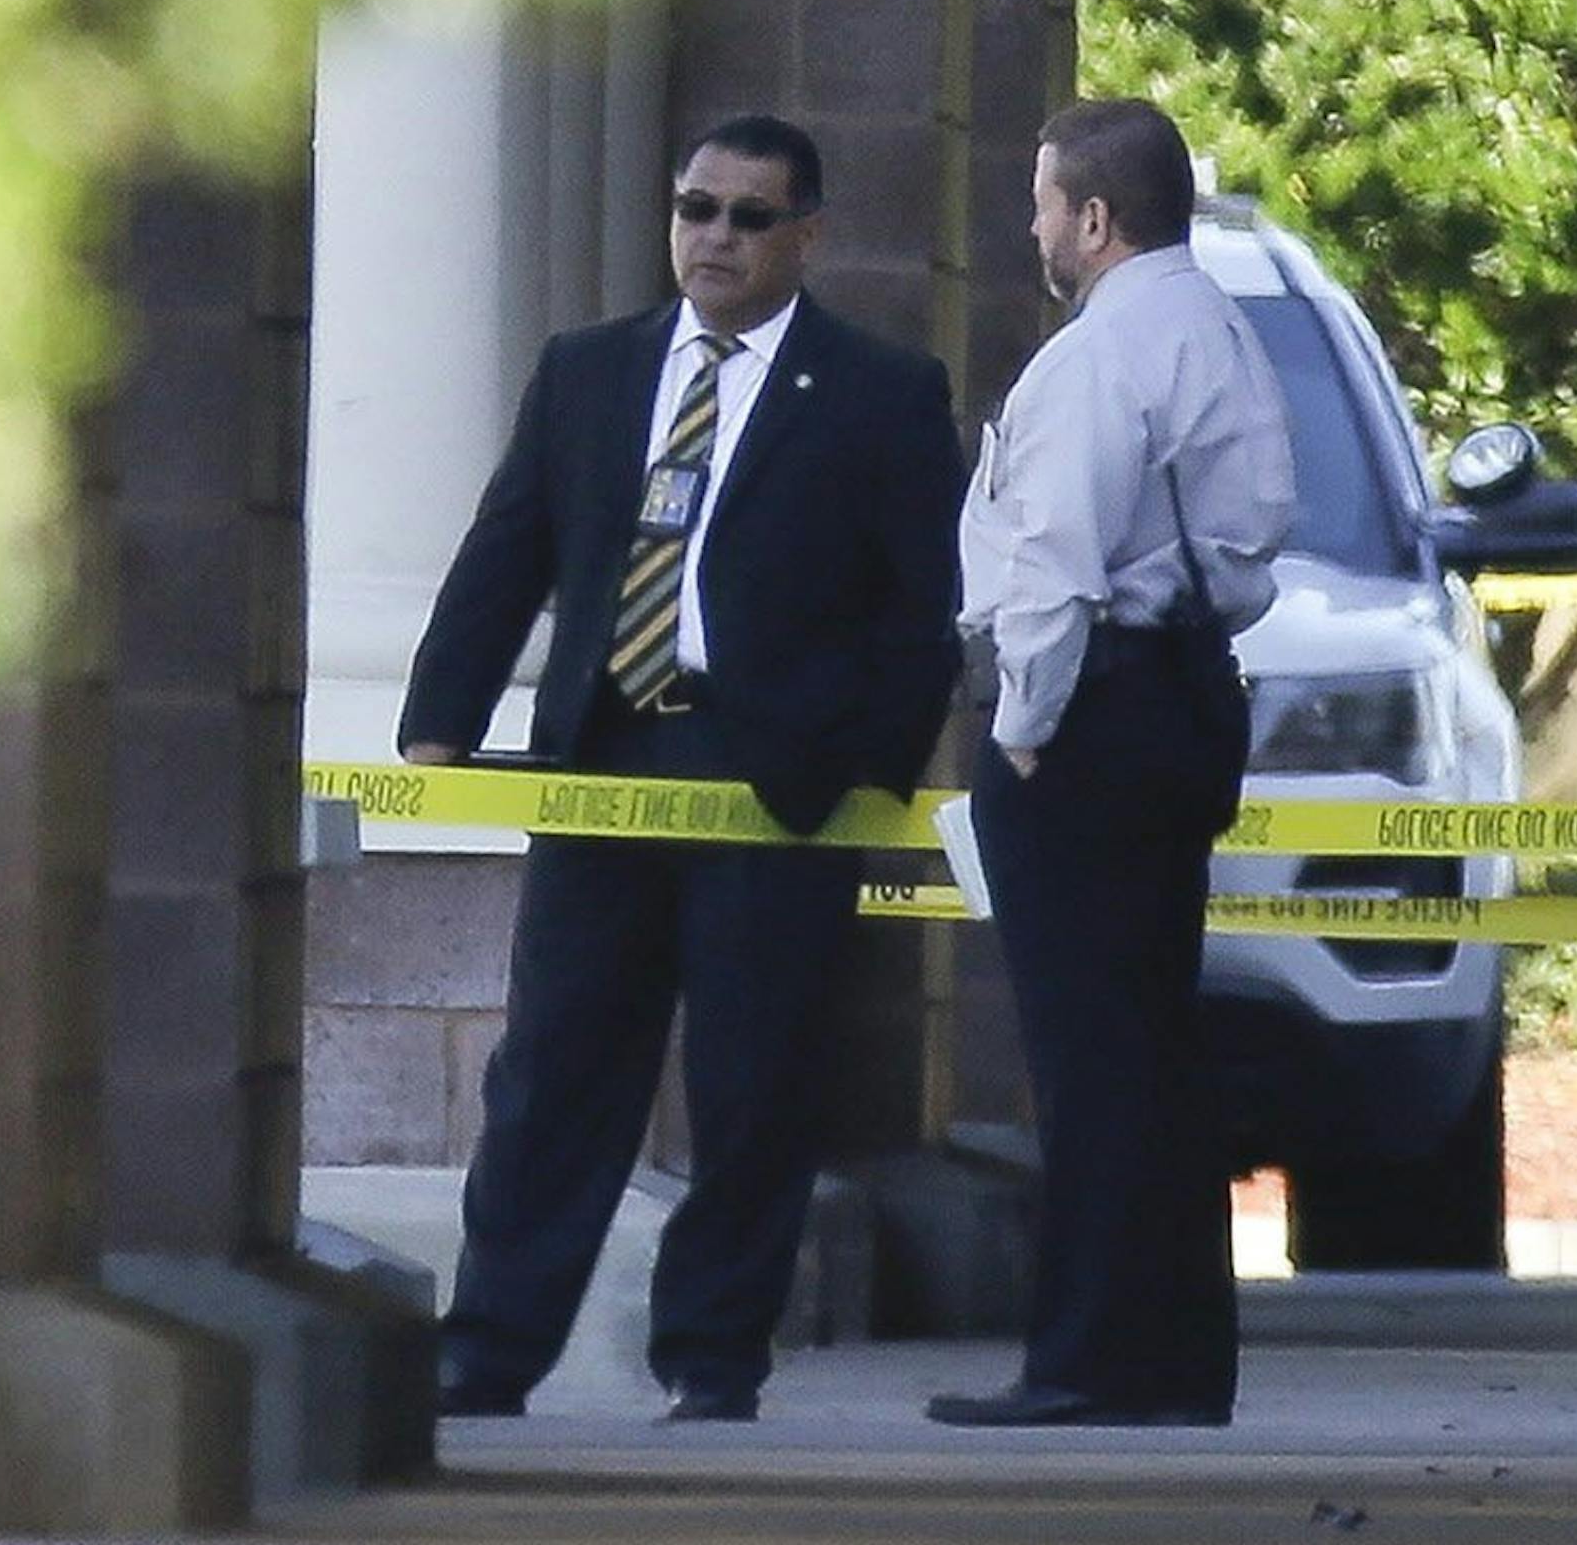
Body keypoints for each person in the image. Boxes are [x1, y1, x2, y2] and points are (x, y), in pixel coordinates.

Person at [399, 114, 965, 1423]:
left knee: (753, 1083)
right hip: (606, 755)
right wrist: (440, 718)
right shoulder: (591, 370)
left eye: (748, 217)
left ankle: (712, 1360)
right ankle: (489, 1350)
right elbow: (509, 547)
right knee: (551, 1072)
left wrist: (862, 775)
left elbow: (917, 611)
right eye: (694, 208)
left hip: (775, 777)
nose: (713, 237)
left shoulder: (878, 392)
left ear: (806, 237)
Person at [931, 99, 1296, 1428]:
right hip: (1188, 697)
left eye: (1042, 205)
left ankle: (1081, 1361)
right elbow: (1250, 547)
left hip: (1092, 719)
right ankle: (1177, 1360)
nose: (1031, 228)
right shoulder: (1225, 334)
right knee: (1154, 1049)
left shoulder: (1100, 356)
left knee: (1087, 1059)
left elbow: (1053, 571)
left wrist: (1022, 730)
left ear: (1093, 218)